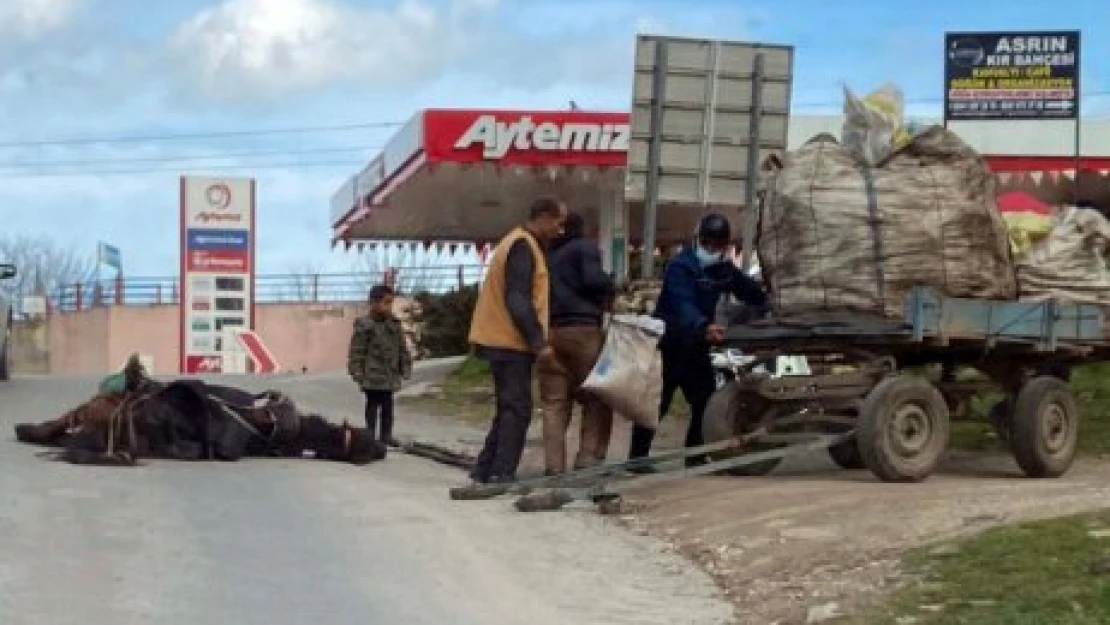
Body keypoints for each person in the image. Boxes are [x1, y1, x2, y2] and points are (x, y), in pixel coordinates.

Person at [628, 212, 768, 469]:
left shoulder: (723, 270)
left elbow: (748, 290)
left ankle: (695, 454)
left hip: (696, 347)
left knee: (705, 401)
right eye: (707, 245)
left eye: (717, 246)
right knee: (657, 404)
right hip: (669, 345)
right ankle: (637, 458)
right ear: (698, 241)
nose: (711, 250)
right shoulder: (681, 266)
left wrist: (769, 301)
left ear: (725, 247)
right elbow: (683, 305)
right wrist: (703, 325)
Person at [464, 196, 568, 484]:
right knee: (517, 409)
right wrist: (538, 342)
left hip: (501, 339)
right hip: (508, 341)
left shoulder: (518, 242)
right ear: (544, 217)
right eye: (558, 224)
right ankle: (501, 472)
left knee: (507, 408)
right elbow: (518, 298)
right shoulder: (523, 246)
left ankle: (485, 468)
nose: (559, 231)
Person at [538, 211, 616, 476]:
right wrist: (612, 286)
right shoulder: (584, 248)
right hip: (582, 331)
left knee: (554, 404)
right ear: (582, 230)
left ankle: (553, 466)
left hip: (550, 333)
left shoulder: (547, 255)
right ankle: (587, 460)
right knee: (597, 396)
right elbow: (594, 280)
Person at [347, 284, 412, 448]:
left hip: (389, 374)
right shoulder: (365, 326)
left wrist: (405, 367)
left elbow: (402, 348)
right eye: (385, 302)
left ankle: (386, 435)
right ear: (373, 303)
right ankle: (370, 435)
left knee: (388, 406)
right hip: (372, 376)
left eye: (391, 303)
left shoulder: (394, 324)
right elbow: (357, 352)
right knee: (372, 406)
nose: (388, 306)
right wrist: (358, 373)